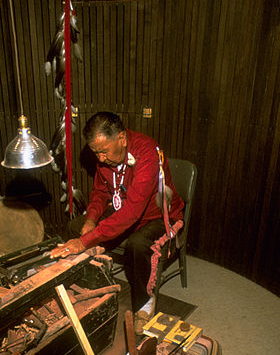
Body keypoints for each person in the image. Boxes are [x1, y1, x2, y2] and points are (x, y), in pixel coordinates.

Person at [50, 112, 184, 334]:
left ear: (122, 138)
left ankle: (144, 307)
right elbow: (101, 193)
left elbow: (132, 212)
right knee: (76, 227)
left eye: (103, 151)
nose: (100, 159)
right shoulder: (106, 155)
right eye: (96, 153)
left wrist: (85, 242)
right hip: (124, 209)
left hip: (160, 216)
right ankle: (90, 291)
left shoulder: (147, 153)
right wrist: (91, 219)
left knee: (139, 245)